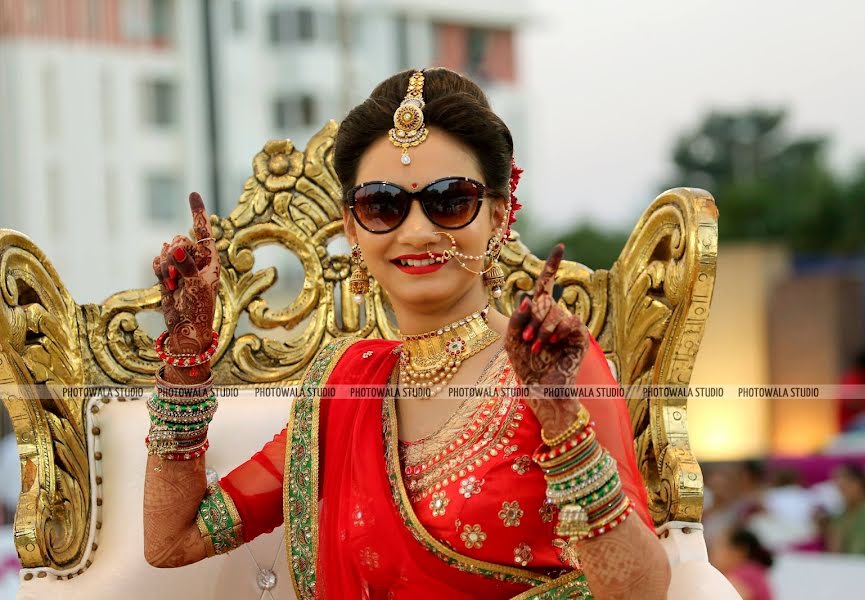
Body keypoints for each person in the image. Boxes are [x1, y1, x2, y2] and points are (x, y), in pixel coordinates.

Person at [142, 68, 670, 598]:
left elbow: (640, 591)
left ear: (497, 214)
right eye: (382, 205)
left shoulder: (552, 367)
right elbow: (173, 541)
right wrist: (186, 356)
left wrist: (558, 415)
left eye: (449, 200)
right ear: (352, 227)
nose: (416, 231)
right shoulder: (349, 388)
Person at [710, 528, 774, 600]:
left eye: (719, 546)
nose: (712, 553)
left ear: (740, 550)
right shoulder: (754, 571)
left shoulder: (746, 574)